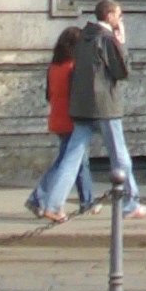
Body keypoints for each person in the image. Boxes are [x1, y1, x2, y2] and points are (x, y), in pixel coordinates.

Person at [26, 0, 146, 223]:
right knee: (120, 156)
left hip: (82, 107)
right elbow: (122, 71)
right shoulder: (107, 38)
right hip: (104, 106)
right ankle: (131, 204)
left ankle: (53, 206)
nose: (121, 19)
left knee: (71, 158)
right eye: (119, 15)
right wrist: (122, 42)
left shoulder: (83, 37)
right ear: (109, 17)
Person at [44, 25, 95, 214]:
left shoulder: (53, 68)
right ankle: (39, 197)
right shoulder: (73, 68)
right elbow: (77, 95)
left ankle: (87, 201)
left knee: (80, 162)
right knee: (67, 163)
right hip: (71, 120)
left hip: (57, 118)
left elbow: (48, 95)